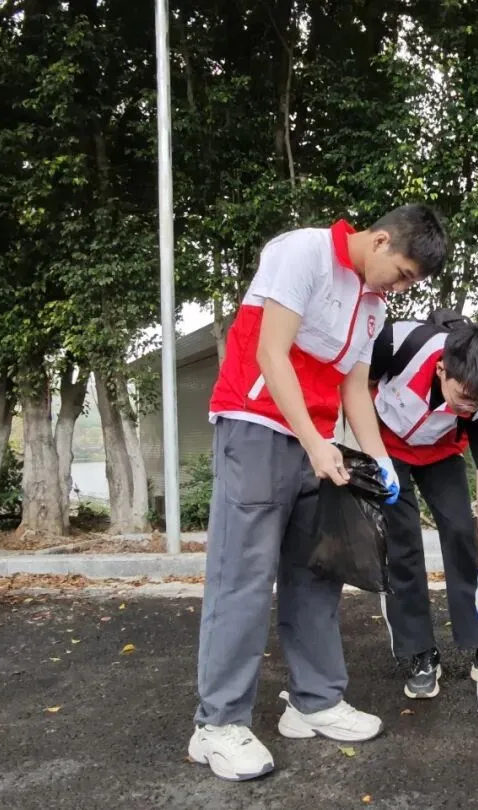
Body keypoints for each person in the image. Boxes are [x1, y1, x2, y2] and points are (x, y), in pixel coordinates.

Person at [189, 205, 448, 782]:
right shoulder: (302, 252)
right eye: (403, 273)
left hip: (319, 441)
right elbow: (270, 352)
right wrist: (313, 441)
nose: (401, 287)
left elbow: (354, 388)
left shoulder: (373, 306)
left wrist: (380, 460)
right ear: (380, 241)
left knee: (317, 572)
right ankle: (217, 724)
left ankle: (315, 700)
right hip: (256, 425)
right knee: (243, 577)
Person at [368, 317, 478, 699]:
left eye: (476, 403)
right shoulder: (399, 343)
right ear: (441, 370)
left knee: (461, 529)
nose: (468, 408)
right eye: (463, 396)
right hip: (386, 447)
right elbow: (356, 387)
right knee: (401, 542)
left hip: (441, 453)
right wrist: (372, 455)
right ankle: (420, 652)